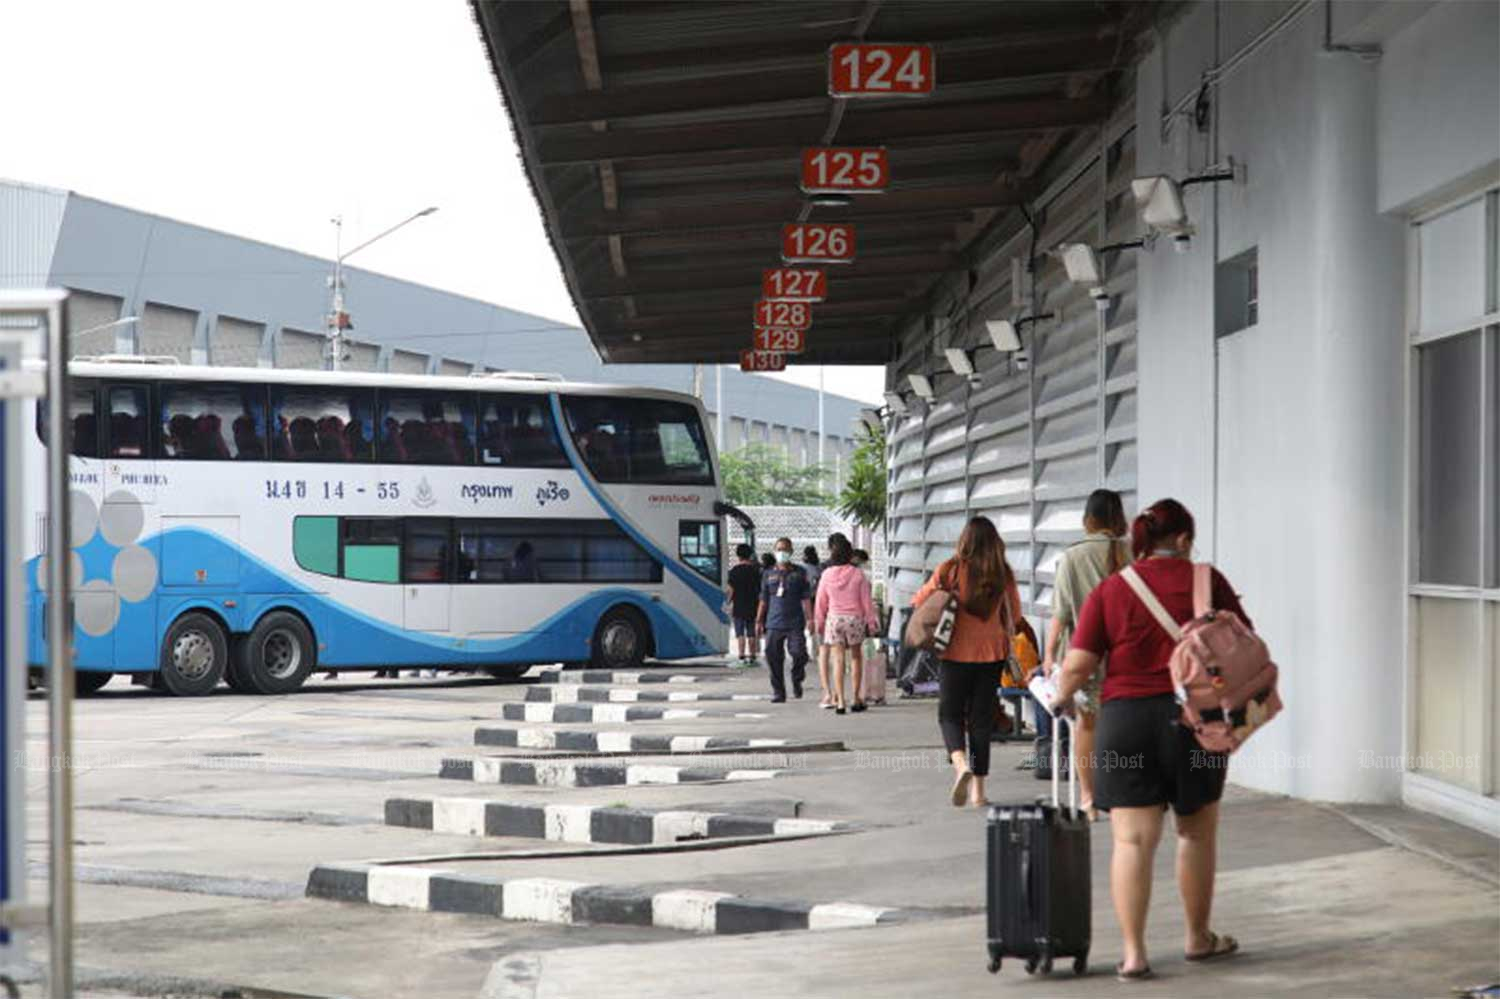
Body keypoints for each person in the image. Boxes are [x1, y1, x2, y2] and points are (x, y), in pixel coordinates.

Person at [1044, 498, 1247, 982]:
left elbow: (1078, 663)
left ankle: (1134, 954)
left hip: (1125, 723)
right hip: (1195, 725)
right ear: (1181, 540)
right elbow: (1244, 641)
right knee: (1195, 833)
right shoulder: (1207, 581)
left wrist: (1060, 698)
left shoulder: (1114, 589)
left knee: (1132, 841)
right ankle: (1198, 938)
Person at [911, 516, 1022, 808]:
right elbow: (1017, 616)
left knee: (949, 715)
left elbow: (919, 601)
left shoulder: (950, 570)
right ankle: (979, 793)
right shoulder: (1003, 574)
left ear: (965, 541)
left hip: (954, 654)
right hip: (992, 655)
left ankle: (961, 765)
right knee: (981, 722)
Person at [1041, 488, 1130, 818]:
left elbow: (1061, 614)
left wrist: (1049, 654)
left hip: (1084, 658)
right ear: (1119, 518)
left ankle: (1089, 799)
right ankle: (1122, 794)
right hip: (1126, 658)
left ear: (1087, 519)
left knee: (1086, 727)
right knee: (1122, 725)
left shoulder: (1072, 557)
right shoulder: (1131, 553)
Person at [813, 533, 878, 714]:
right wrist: (871, 623)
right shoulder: (858, 574)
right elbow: (866, 601)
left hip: (834, 620)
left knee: (838, 659)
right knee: (856, 657)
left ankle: (840, 701)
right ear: (850, 555)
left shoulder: (826, 574)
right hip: (855, 619)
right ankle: (856, 698)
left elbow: (820, 601)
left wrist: (819, 622)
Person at [756, 537, 813, 702]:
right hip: (773, 623)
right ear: (775, 551)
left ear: (791, 552)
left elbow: (806, 598)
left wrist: (811, 619)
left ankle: (797, 678)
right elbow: (763, 599)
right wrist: (759, 621)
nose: (782, 553)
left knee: (799, 653)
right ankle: (779, 692)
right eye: (779, 549)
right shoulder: (768, 574)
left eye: (786, 550)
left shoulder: (799, 573)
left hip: (795, 622)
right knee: (773, 657)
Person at [725, 544, 762, 665]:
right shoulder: (756, 571)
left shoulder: (734, 571)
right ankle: (752, 656)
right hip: (753, 604)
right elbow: (760, 589)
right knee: (751, 632)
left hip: (739, 605)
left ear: (738, 555)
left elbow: (731, 590)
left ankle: (741, 656)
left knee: (740, 632)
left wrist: (727, 602)